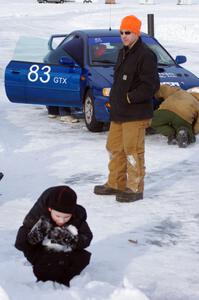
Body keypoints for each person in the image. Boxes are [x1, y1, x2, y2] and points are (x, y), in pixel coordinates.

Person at [94, 15, 160, 202]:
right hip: (119, 113)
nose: (124, 36)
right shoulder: (123, 52)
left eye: (128, 32)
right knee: (114, 148)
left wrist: (130, 98)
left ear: (136, 33)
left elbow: (151, 86)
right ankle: (116, 183)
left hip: (135, 113)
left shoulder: (146, 55)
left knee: (132, 150)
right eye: (121, 32)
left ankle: (134, 188)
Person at [15, 185, 93, 286]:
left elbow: (86, 238)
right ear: (50, 209)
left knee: (80, 259)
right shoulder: (37, 215)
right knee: (48, 266)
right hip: (41, 251)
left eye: (66, 217)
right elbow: (20, 243)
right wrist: (33, 238)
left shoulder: (77, 217)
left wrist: (70, 239)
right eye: (58, 216)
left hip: (66, 251)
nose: (61, 220)